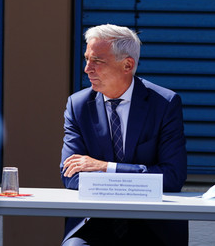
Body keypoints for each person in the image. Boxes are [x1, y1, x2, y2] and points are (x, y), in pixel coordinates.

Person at [60, 24, 188, 246]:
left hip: (152, 223)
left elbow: (172, 177)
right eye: (86, 59)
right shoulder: (78, 106)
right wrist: (138, 179)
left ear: (127, 64)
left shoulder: (164, 104)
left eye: (97, 61)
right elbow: (71, 175)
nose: (87, 68)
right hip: (94, 222)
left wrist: (105, 168)